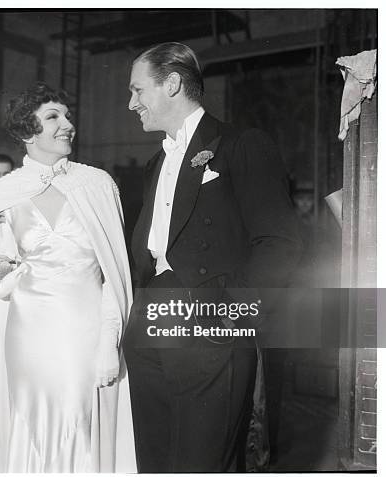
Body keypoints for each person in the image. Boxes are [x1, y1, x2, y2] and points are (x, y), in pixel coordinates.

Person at [0, 83, 136, 472]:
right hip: (28, 332)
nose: (67, 124)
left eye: (67, 115)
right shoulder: (7, 190)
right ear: (26, 131)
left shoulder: (97, 184)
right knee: (32, 428)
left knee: (79, 424)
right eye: (53, 116)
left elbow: (114, 276)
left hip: (87, 330)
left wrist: (109, 341)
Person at [123, 42, 303, 472]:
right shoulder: (154, 164)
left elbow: (280, 242)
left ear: (171, 84)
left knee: (201, 463)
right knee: (155, 460)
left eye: (137, 91)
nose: (131, 104)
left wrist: (231, 311)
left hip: (210, 323)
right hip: (151, 320)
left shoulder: (242, 144)